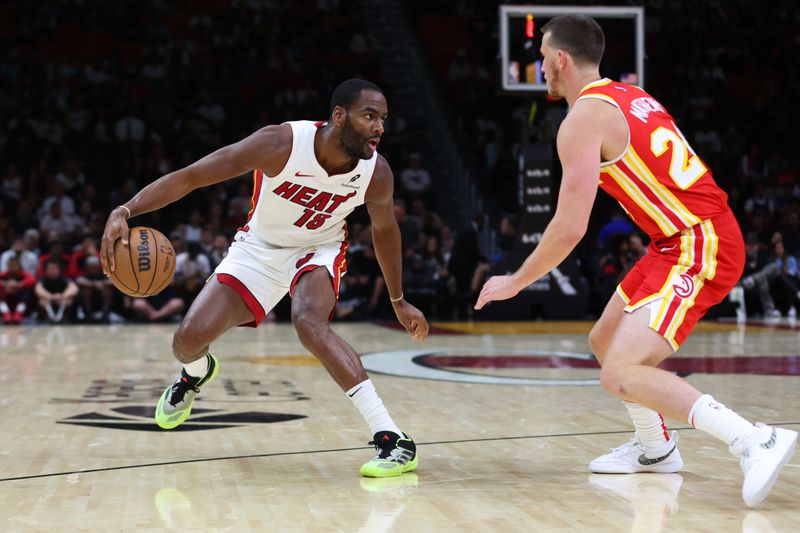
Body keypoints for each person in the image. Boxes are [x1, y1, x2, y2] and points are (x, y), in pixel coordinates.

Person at [475, 15, 796, 507]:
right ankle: (656, 449)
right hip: (672, 240)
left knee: (619, 373)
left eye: (542, 55)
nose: (539, 65)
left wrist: (517, 280)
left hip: (698, 240)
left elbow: (569, 228)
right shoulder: (632, 94)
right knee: (603, 340)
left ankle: (753, 439)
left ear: (561, 58)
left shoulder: (580, 120)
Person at [100, 79, 429, 478]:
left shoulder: (376, 174)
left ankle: (393, 440)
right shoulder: (280, 145)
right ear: (338, 116)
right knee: (187, 341)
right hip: (258, 249)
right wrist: (127, 209)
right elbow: (192, 177)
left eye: (383, 119)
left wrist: (398, 300)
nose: (379, 127)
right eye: (369, 116)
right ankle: (195, 372)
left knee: (309, 322)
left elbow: (385, 231)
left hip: (317, 249)